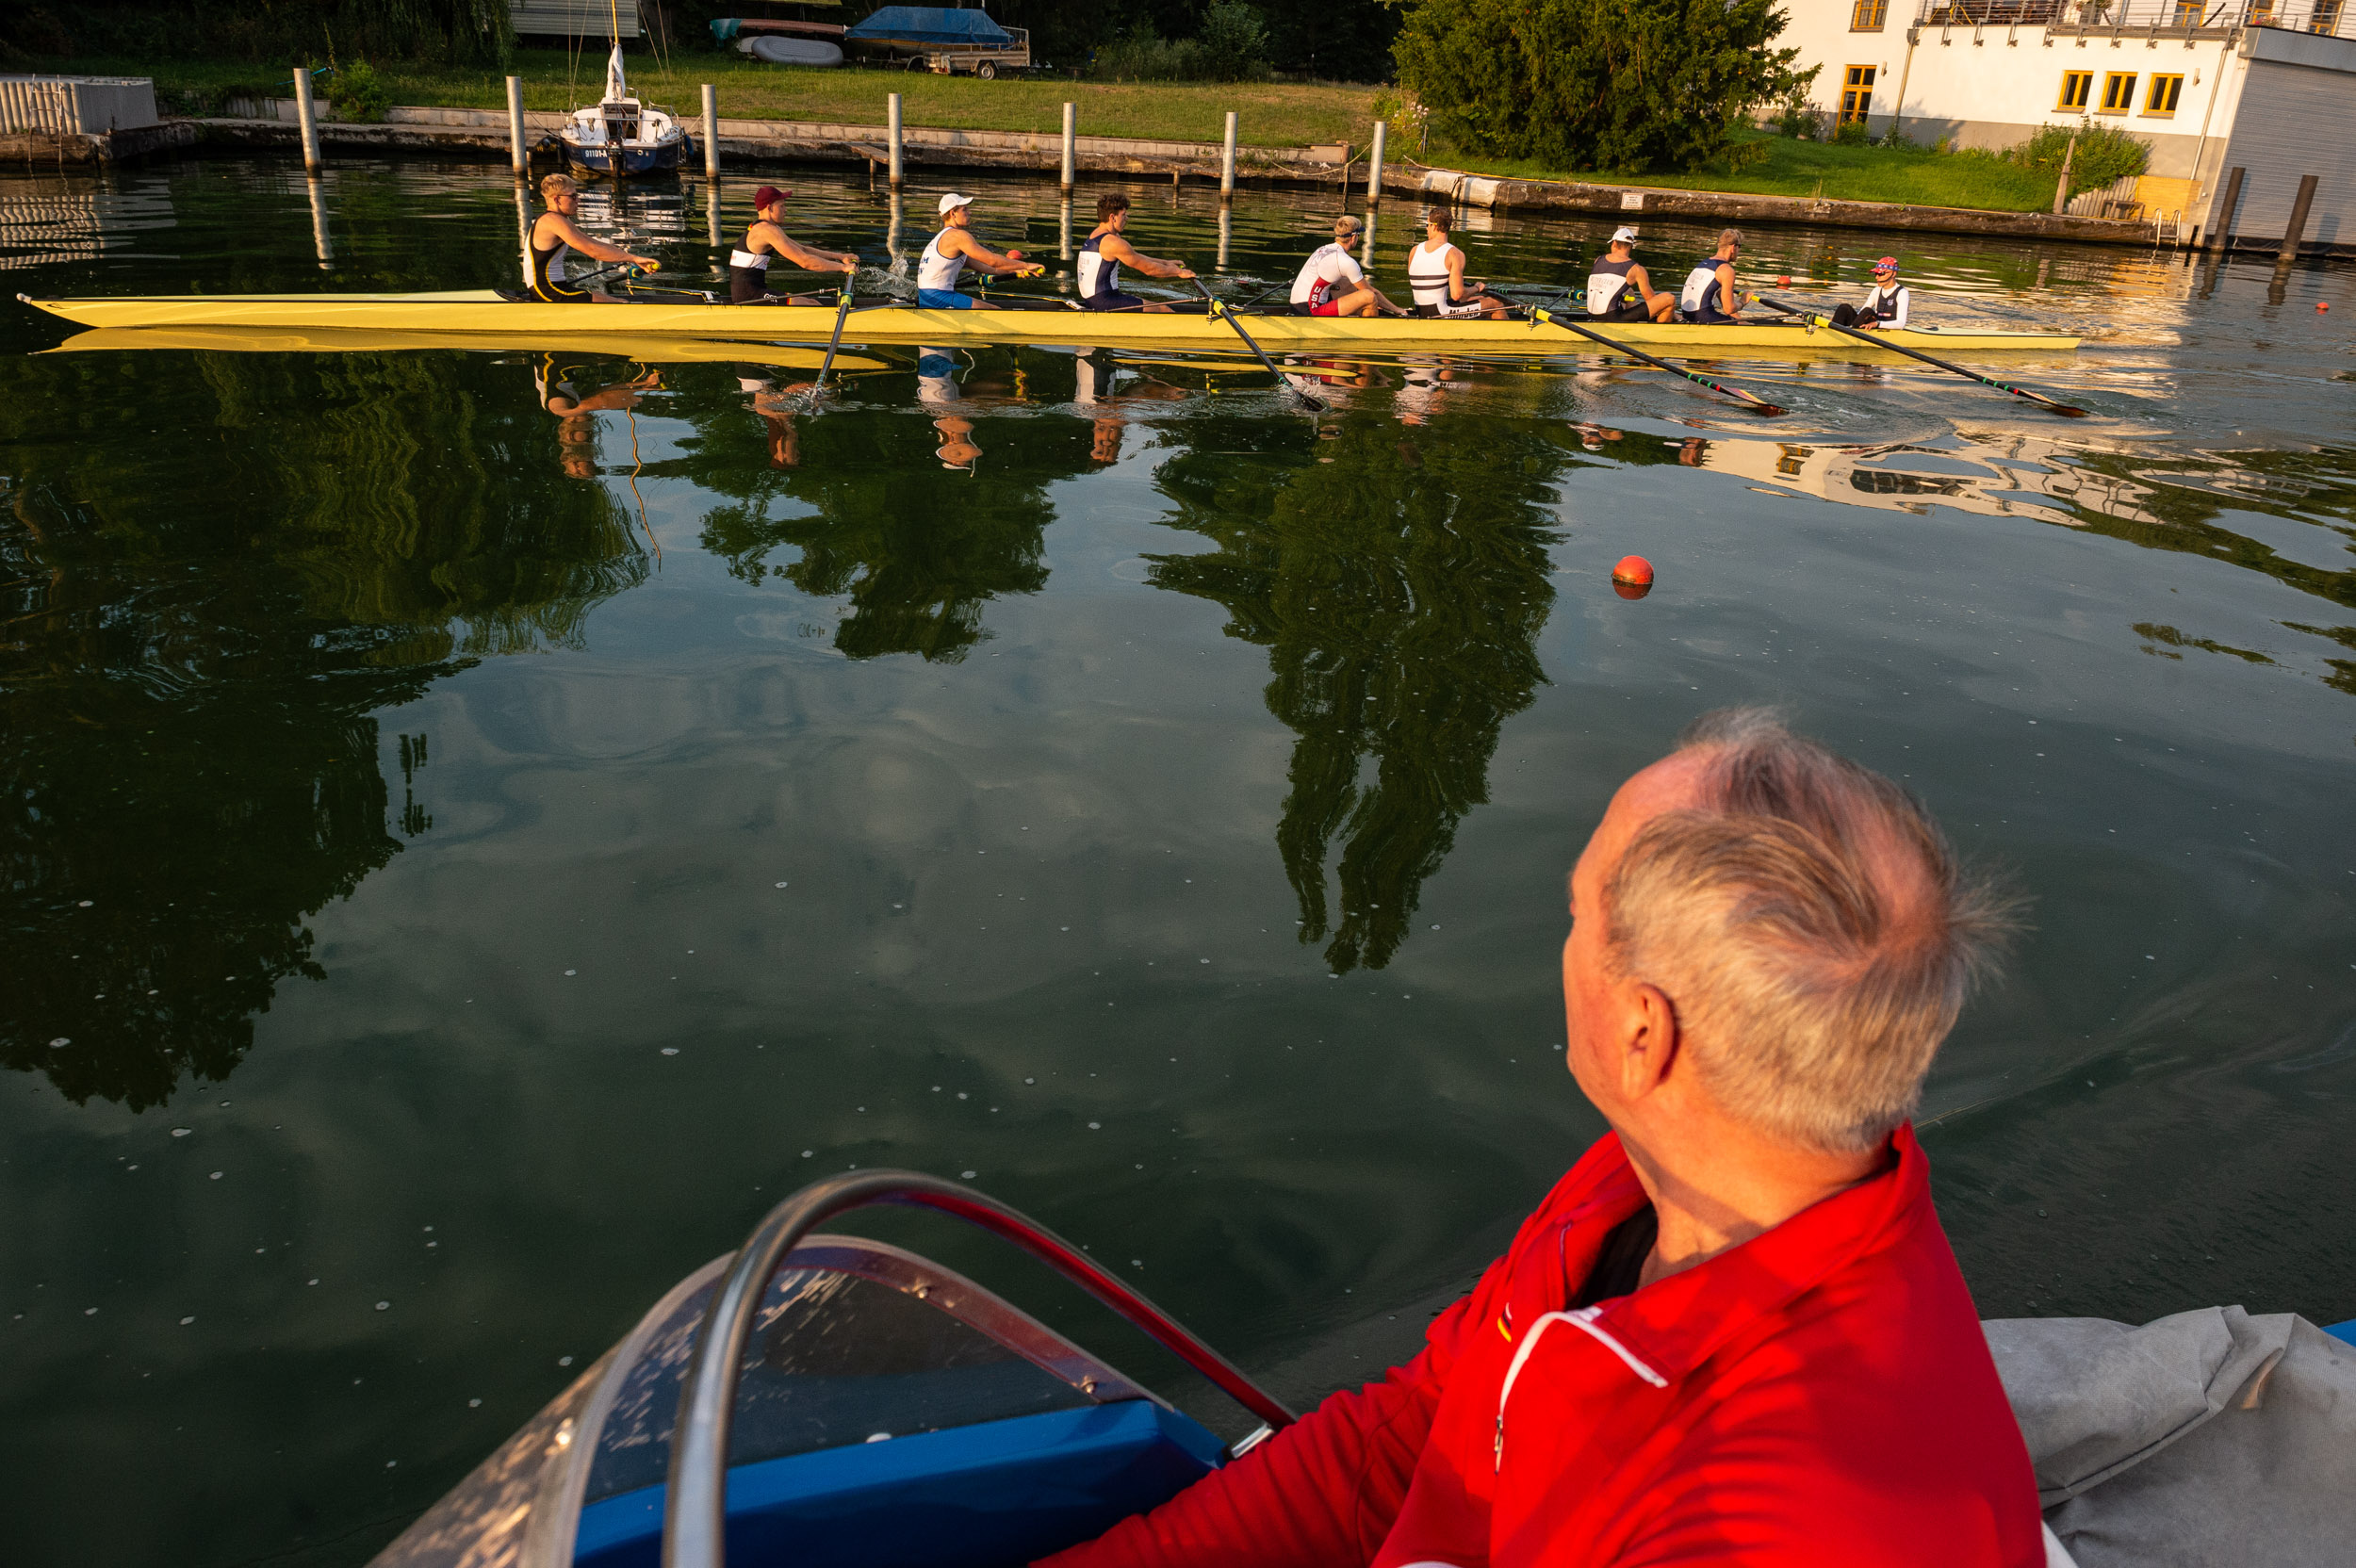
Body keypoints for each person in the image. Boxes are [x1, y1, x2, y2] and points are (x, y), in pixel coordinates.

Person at [1040, 708, 2047, 1568]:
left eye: (1574, 914)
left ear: (1643, 1032)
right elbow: (1414, 1438)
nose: (1559, 942)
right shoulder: (1644, 1178)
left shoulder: (1774, 1522)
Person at [528, 173, 659, 303]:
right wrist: (633, 258)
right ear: (557, 200)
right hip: (547, 292)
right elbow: (593, 250)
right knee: (619, 304)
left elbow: (594, 243)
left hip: (554, 289)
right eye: (573, 196)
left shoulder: (559, 220)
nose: (578, 200)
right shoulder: (552, 221)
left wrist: (633, 259)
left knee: (611, 299)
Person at [730, 185, 857, 306]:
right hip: (748, 296)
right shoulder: (765, 231)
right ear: (770, 208)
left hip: (756, 291)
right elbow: (805, 262)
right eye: (782, 206)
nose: (786, 210)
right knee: (810, 305)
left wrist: (840, 256)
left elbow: (803, 249)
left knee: (811, 302)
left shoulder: (770, 228)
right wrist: (842, 267)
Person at [917, 193, 1043, 311]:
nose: (969, 212)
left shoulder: (941, 238)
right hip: (939, 297)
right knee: (998, 313)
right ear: (953, 213)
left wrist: (1015, 270)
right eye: (965, 209)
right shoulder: (957, 236)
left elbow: (990, 268)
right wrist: (1026, 265)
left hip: (928, 297)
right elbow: (993, 260)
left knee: (995, 309)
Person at [1077, 193, 1196, 313]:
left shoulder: (1097, 234)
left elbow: (1137, 257)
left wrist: (1166, 262)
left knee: (1148, 303)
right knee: (1162, 309)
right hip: (1104, 302)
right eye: (1123, 215)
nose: (1127, 218)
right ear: (1112, 217)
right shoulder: (1113, 243)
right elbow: (1150, 270)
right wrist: (1179, 272)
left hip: (1096, 299)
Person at [1289, 215, 1405, 318]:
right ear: (1354, 237)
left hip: (1296, 305)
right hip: (1311, 310)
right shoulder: (1346, 261)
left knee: (1347, 283)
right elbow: (1372, 292)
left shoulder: (1323, 249)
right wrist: (1397, 310)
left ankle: (1368, 311)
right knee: (1369, 297)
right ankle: (1369, 332)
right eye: (1359, 236)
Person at [1406, 208, 1510, 319]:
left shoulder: (1414, 250)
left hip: (1420, 311)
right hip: (1439, 313)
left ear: (1434, 226)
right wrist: (1476, 288)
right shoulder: (1454, 254)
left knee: (1477, 300)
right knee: (1495, 304)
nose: (1426, 229)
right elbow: (1457, 295)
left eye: (1427, 225)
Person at [1584, 225, 1675, 323]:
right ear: (1631, 247)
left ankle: (1636, 323)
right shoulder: (1636, 269)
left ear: (1614, 243)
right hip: (1613, 319)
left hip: (1591, 316)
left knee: (1629, 291)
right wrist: (1676, 315)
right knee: (1669, 299)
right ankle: (1659, 334)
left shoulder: (1598, 260)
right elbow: (1652, 300)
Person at [1677, 228, 1746, 324]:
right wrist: (1743, 301)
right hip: (1704, 317)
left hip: (1687, 315)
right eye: (1739, 247)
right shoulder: (1726, 270)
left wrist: (1741, 321)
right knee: (1740, 325)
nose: (1739, 251)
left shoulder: (1705, 262)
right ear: (1733, 247)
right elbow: (1729, 309)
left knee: (1740, 323)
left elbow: (1720, 295)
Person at [1832, 255, 1911, 330]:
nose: (1877, 277)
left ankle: (1848, 331)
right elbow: (1861, 314)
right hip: (1871, 325)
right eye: (1876, 274)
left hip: (1884, 328)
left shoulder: (1902, 293)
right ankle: (1834, 328)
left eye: (1881, 274)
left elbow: (1901, 323)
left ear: (1893, 274)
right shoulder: (1876, 290)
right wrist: (1840, 317)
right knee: (1844, 308)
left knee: (1868, 311)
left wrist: (1877, 324)